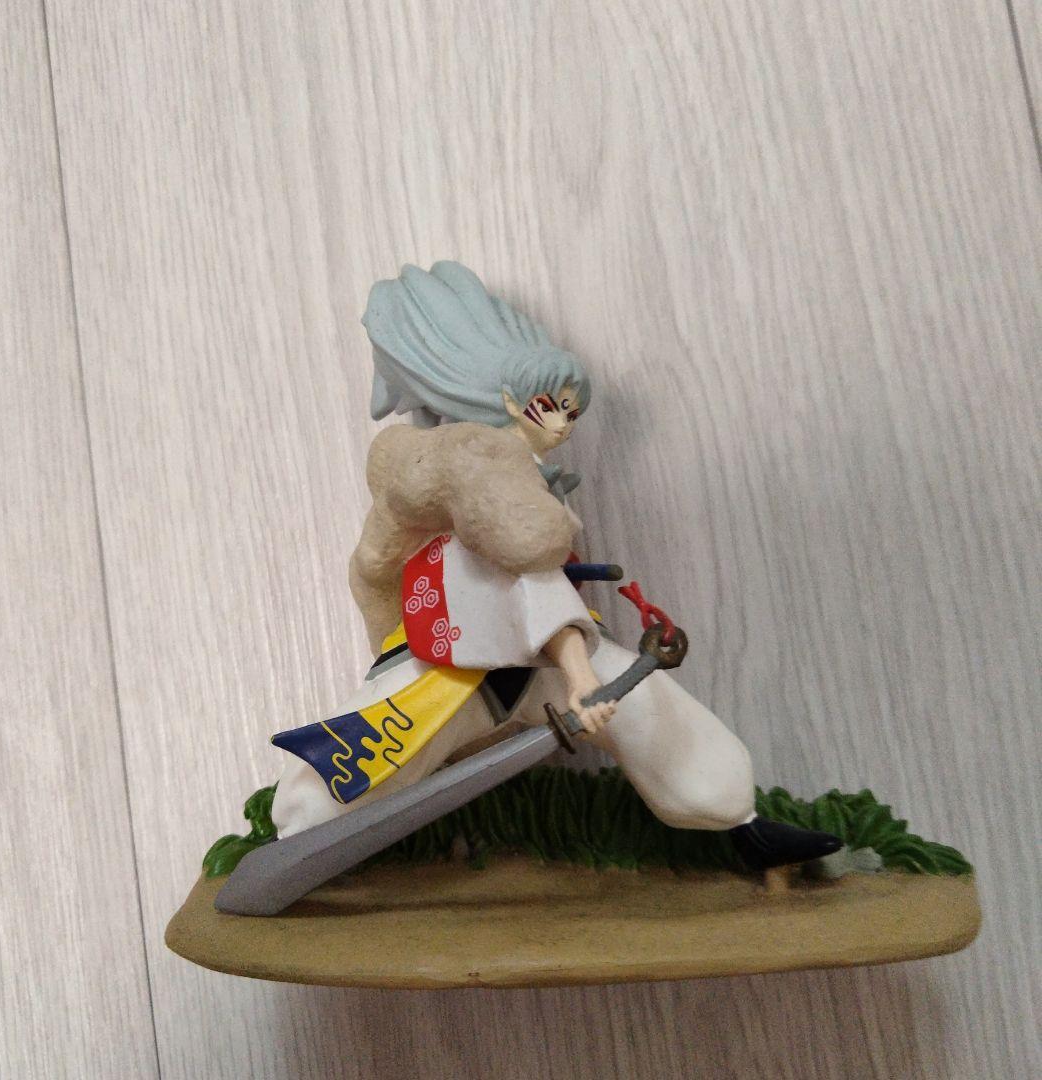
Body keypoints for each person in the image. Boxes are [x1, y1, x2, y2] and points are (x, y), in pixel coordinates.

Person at [270, 261, 841, 870]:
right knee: (374, 751)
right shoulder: (485, 466)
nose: (564, 423)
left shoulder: (524, 474)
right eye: (552, 406)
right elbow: (534, 571)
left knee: (650, 709)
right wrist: (581, 676)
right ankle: (296, 838)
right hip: (464, 665)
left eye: (572, 410)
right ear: (511, 402)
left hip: (534, 658)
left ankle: (741, 824)